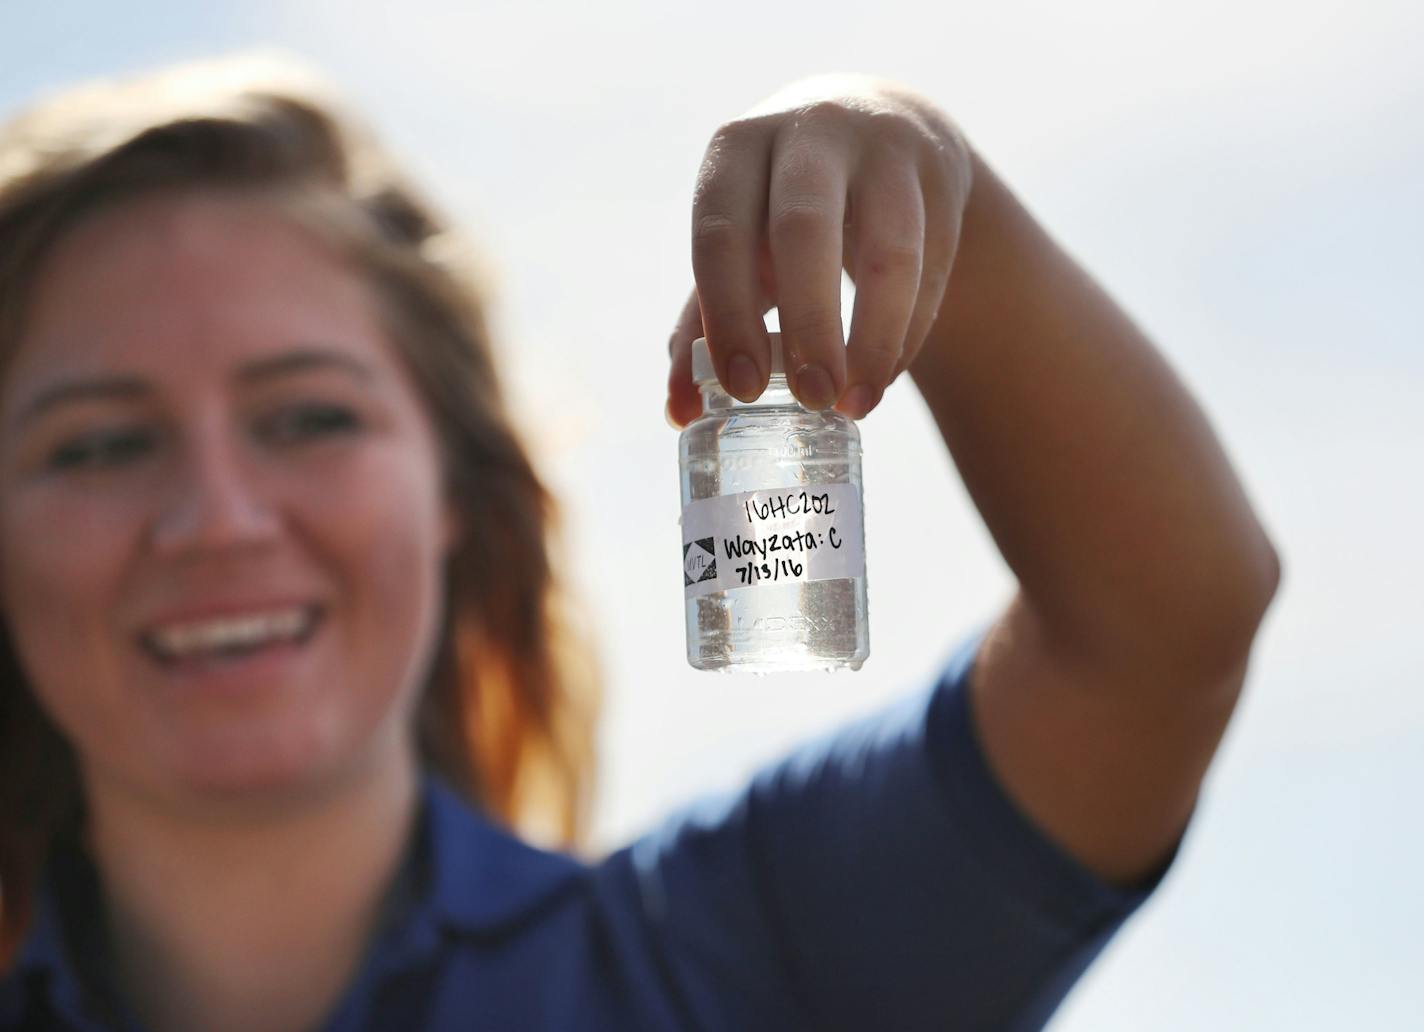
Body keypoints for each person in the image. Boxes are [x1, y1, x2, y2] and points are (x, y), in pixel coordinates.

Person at [0, 54, 1280, 1032]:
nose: (218, 518)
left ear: (455, 486)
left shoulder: (733, 956)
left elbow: (1160, 634)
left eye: (307, 418)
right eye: (98, 445)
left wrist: (931, 179)